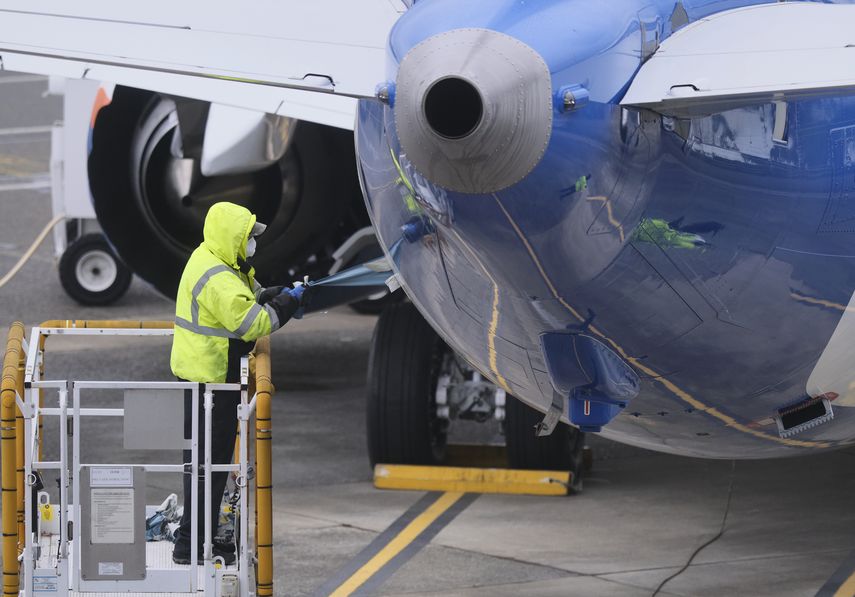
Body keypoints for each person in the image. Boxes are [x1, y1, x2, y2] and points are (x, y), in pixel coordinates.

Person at [169, 201, 309, 565]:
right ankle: (192, 546)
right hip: (210, 384)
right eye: (248, 236)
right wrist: (288, 305)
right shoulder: (217, 277)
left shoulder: (215, 261)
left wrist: (278, 294)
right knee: (209, 466)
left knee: (204, 465)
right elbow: (254, 323)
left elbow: (249, 297)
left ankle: (194, 540)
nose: (252, 243)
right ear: (232, 237)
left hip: (206, 380)